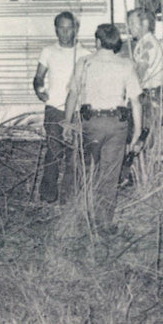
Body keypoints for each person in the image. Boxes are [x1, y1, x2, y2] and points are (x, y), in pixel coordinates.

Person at [64, 22, 143, 232]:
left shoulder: (84, 62)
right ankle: (104, 223)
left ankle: (83, 217)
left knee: (87, 170)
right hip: (117, 124)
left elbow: (72, 95)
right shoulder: (126, 65)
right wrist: (136, 133)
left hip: (90, 123)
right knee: (110, 174)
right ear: (116, 43)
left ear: (97, 41)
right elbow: (135, 101)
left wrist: (67, 122)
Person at [33, 11, 82, 203]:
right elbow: (38, 76)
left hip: (77, 111)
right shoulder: (48, 51)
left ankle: (69, 195)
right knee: (53, 151)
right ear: (56, 30)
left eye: (69, 28)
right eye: (61, 28)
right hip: (54, 108)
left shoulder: (84, 53)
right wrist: (39, 89)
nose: (65, 32)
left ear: (75, 30)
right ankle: (48, 193)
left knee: (74, 154)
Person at [127, 6, 163, 146]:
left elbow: (140, 73)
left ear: (144, 24)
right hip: (149, 98)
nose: (129, 28)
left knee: (142, 143)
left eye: (132, 23)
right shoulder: (143, 42)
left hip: (151, 100)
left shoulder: (148, 43)